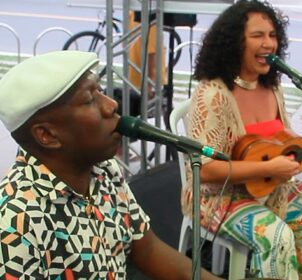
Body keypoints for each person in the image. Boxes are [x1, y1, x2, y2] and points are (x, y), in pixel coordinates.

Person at [0, 50, 220, 279]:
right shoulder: (14, 224)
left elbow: (147, 250)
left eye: (101, 91)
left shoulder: (104, 170)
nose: (111, 105)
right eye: (88, 100)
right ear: (46, 134)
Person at [182, 1, 302, 279]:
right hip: (217, 196)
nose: (269, 43)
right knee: (277, 236)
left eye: (272, 35)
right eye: (257, 35)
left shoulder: (271, 87)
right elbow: (206, 169)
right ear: (235, 42)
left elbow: (280, 144)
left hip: (270, 188)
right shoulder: (214, 93)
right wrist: (270, 169)